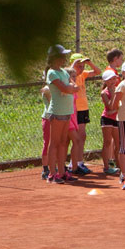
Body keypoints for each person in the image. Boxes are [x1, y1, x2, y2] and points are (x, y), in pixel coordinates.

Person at [43, 44, 78, 183]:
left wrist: (69, 88)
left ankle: (62, 173)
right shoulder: (52, 72)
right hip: (57, 112)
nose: (64, 58)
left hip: (67, 111)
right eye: (62, 55)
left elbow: (74, 86)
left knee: (63, 143)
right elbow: (65, 87)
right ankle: (52, 174)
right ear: (55, 57)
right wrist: (69, 88)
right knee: (55, 143)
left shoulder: (63, 71)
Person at [67, 53, 97, 176]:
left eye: (82, 66)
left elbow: (97, 71)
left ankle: (79, 161)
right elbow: (66, 72)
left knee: (82, 136)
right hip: (75, 110)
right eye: (79, 66)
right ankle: (72, 163)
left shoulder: (83, 75)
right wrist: (74, 64)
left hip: (84, 108)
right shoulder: (70, 76)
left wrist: (88, 63)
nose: (81, 68)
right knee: (75, 137)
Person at [98, 68, 122, 174]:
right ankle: (106, 167)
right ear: (106, 81)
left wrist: (115, 109)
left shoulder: (118, 89)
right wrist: (112, 94)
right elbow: (109, 106)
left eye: (114, 79)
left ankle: (119, 165)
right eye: (110, 79)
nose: (113, 81)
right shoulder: (104, 93)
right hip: (107, 119)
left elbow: (116, 107)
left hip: (115, 119)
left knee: (118, 143)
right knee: (107, 142)